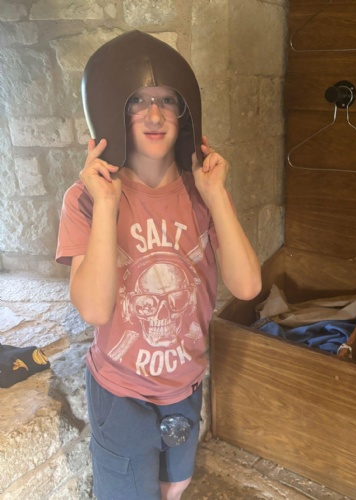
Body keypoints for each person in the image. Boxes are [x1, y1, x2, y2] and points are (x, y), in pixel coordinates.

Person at [56, 31, 261, 500]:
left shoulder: (202, 192)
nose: (154, 115)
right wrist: (106, 205)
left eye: (167, 100)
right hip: (120, 392)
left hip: (184, 385)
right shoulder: (84, 199)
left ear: (183, 111)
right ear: (114, 108)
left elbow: (248, 286)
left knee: (175, 486)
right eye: (137, 101)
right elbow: (94, 309)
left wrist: (215, 195)